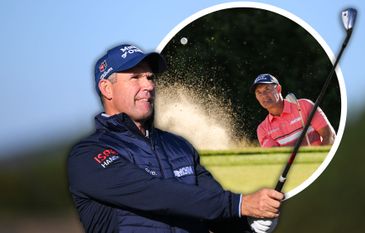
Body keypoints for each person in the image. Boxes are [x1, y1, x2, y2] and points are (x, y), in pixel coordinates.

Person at [67, 44, 283, 233]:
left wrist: (248, 223)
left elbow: (214, 209)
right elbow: (153, 193)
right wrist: (240, 205)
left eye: (150, 77)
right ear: (107, 88)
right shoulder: (88, 155)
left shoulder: (179, 145)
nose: (149, 86)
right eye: (135, 77)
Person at [251, 73, 336, 147]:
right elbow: (274, 157)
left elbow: (329, 135)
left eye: (267, 89)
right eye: (259, 92)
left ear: (278, 89)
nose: (264, 95)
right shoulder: (263, 129)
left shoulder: (304, 106)